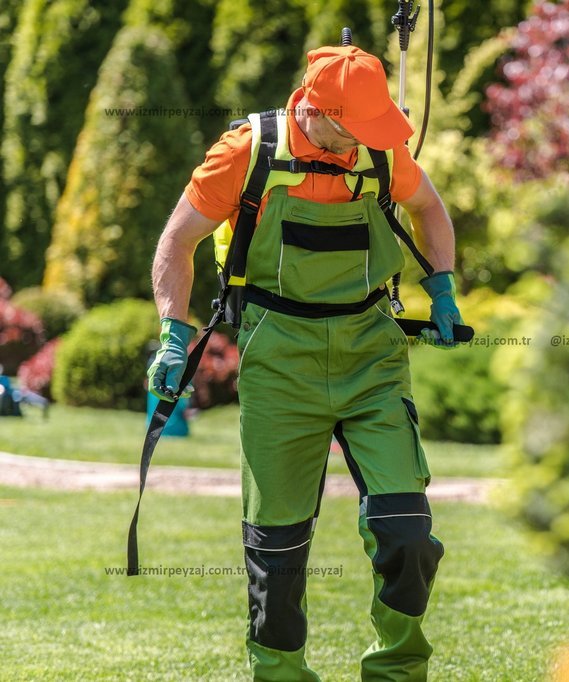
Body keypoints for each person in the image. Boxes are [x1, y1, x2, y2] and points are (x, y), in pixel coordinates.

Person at [147, 44, 463, 681]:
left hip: (372, 356)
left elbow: (428, 207)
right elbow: (178, 242)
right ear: (317, 110)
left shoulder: (378, 148)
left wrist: (445, 287)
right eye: (357, 128)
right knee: (278, 552)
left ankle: (398, 672)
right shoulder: (249, 152)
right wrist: (174, 336)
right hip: (279, 361)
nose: (366, 144)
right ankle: (280, 674)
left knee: (406, 534)